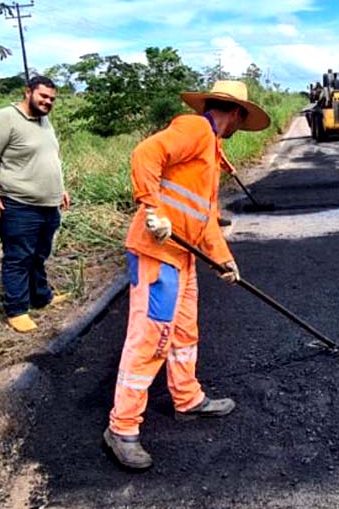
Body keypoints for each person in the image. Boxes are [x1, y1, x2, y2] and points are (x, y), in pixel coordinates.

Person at [103, 80, 270, 470]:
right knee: (150, 339)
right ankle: (122, 427)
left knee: (183, 334)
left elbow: (204, 218)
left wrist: (223, 260)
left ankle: (188, 398)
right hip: (157, 253)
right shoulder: (195, 130)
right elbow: (146, 152)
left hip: (184, 256)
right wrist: (151, 208)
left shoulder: (211, 149)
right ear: (235, 113)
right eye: (239, 122)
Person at [0, 75, 71, 333]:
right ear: (27, 92)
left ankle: (41, 296)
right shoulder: (5, 118)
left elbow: (47, 156)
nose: (48, 102)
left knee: (39, 254)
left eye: (52, 98)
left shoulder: (44, 120)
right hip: (18, 203)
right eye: (43, 96)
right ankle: (16, 309)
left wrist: (60, 189)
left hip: (48, 203)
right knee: (19, 256)